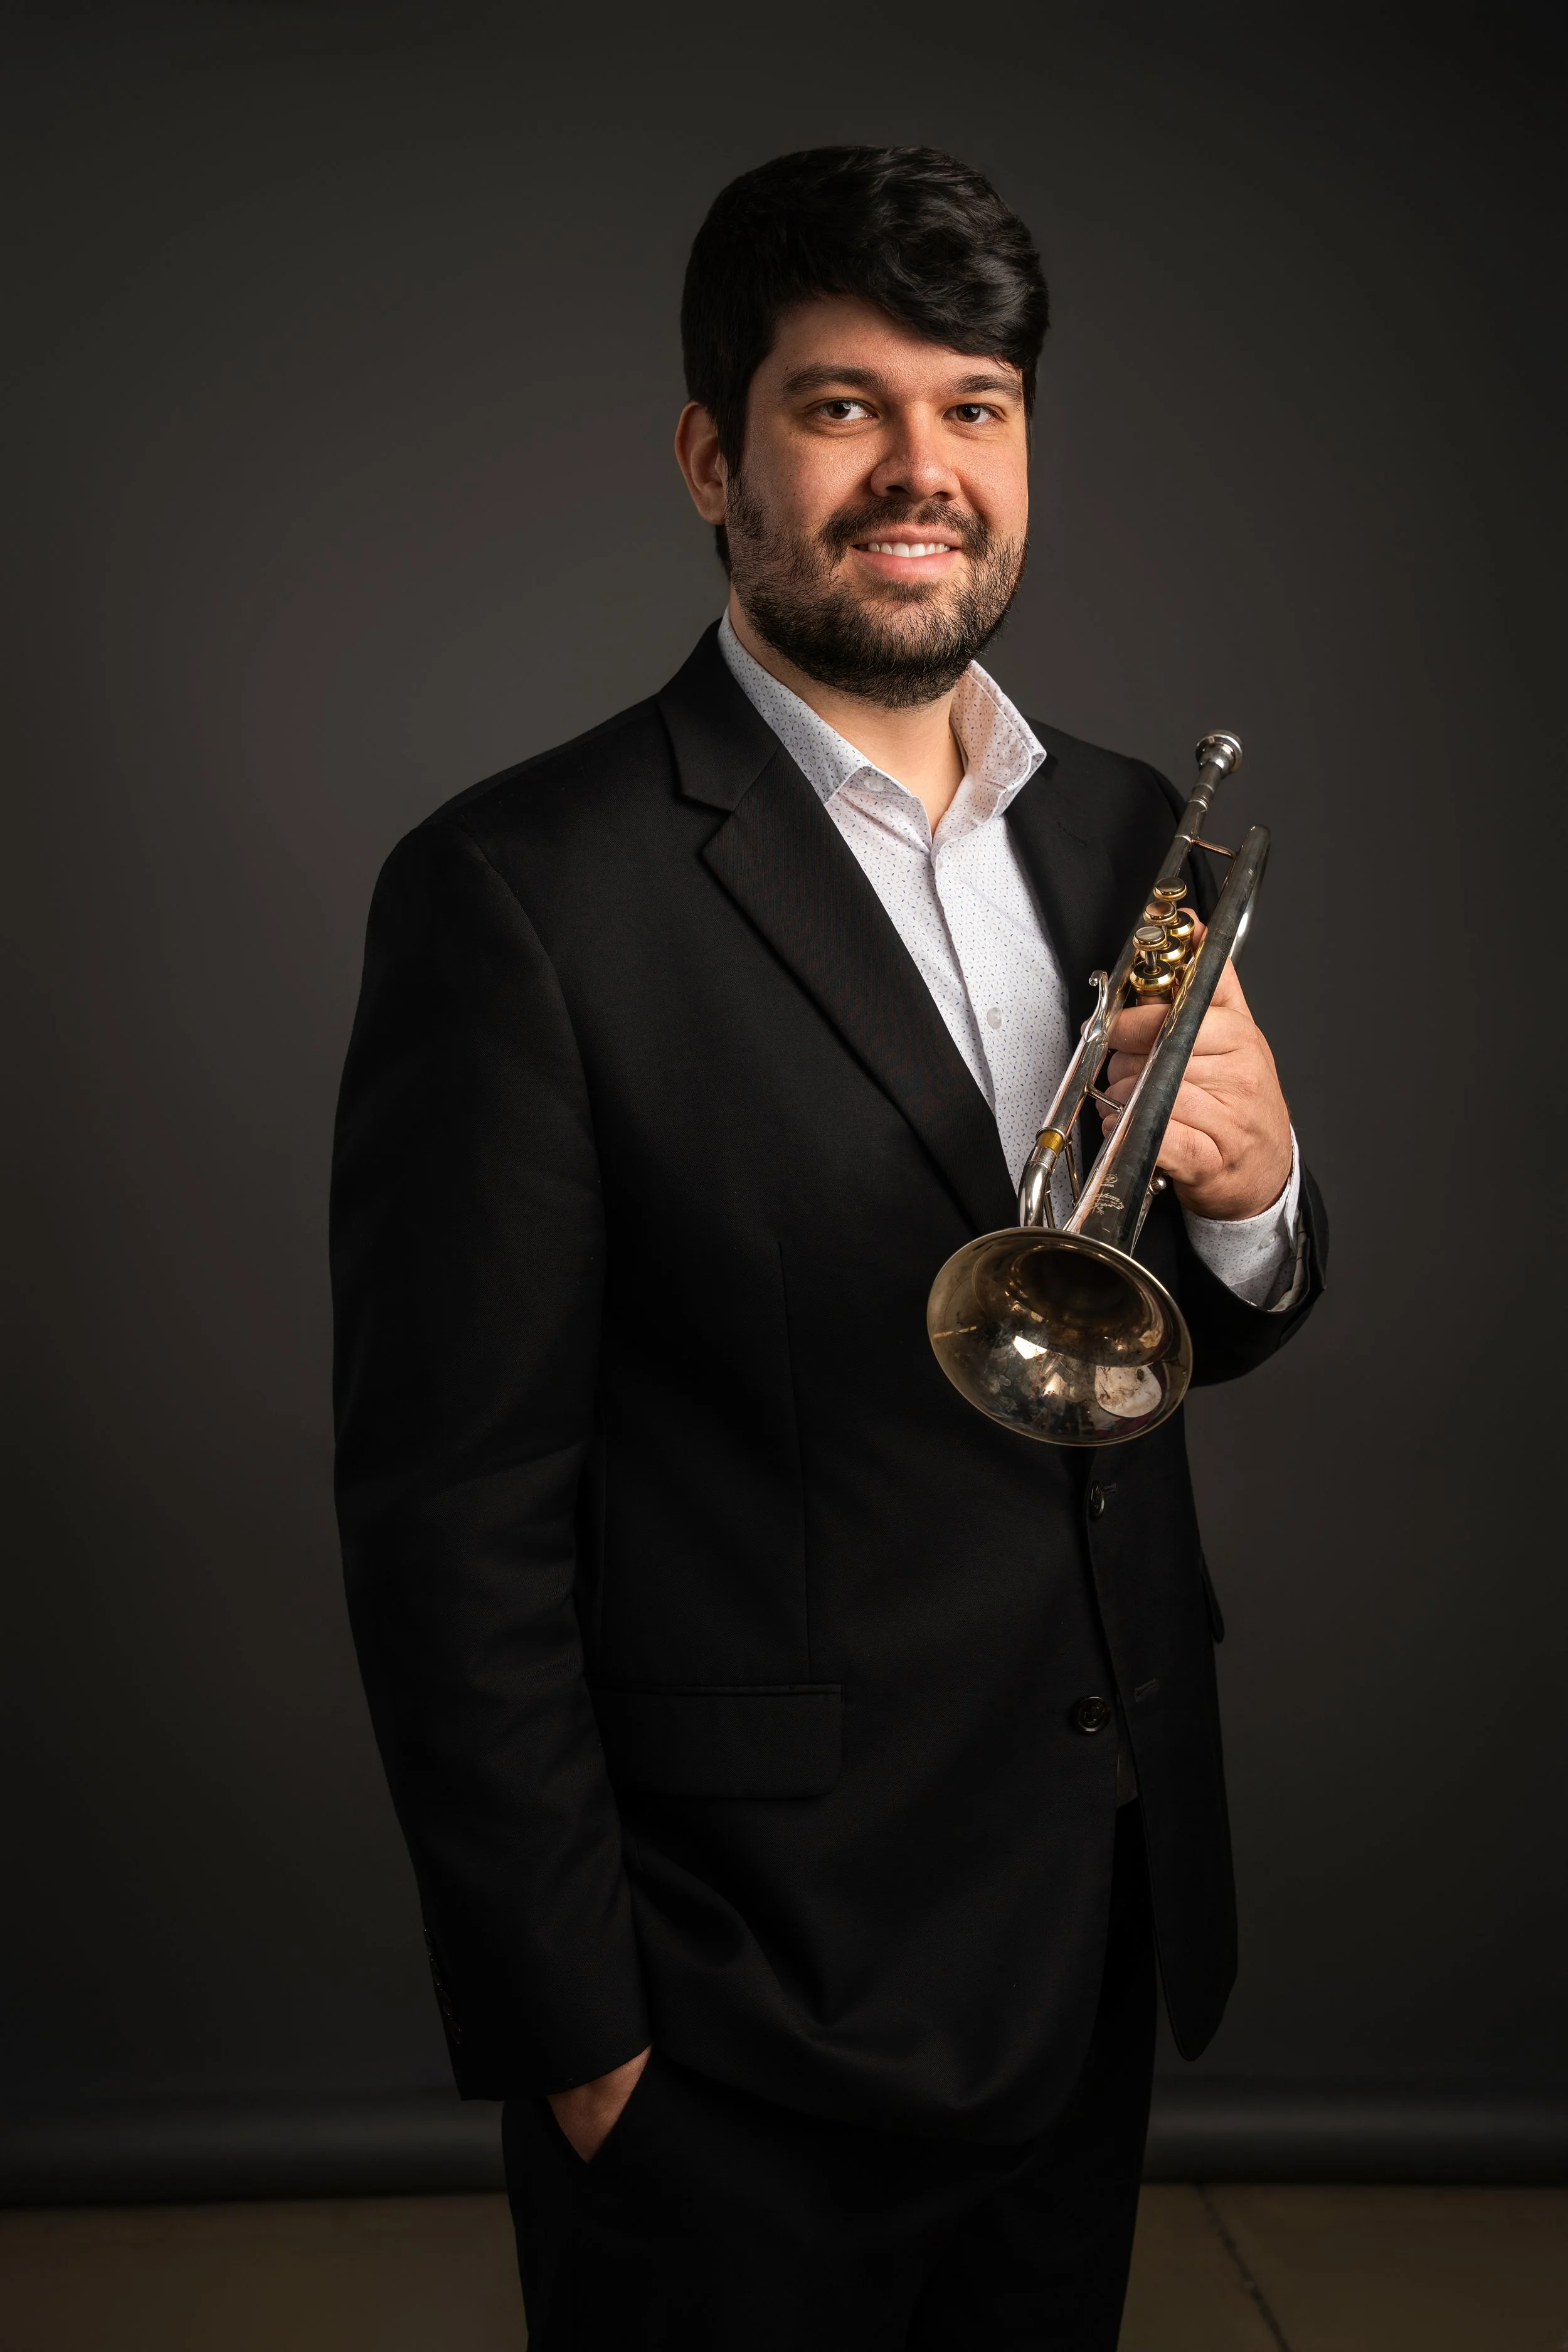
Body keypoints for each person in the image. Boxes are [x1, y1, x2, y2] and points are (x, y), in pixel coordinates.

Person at [331, 145, 1325, 2350]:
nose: (920, 471)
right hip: (736, 1995)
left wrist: (1251, 1198)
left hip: (1084, 1918)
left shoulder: (1119, 824)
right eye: (841, 404)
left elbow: (1132, 1331)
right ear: (712, 454)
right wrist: (578, 2032)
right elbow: (449, 1516)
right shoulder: (521, 888)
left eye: (973, 407)